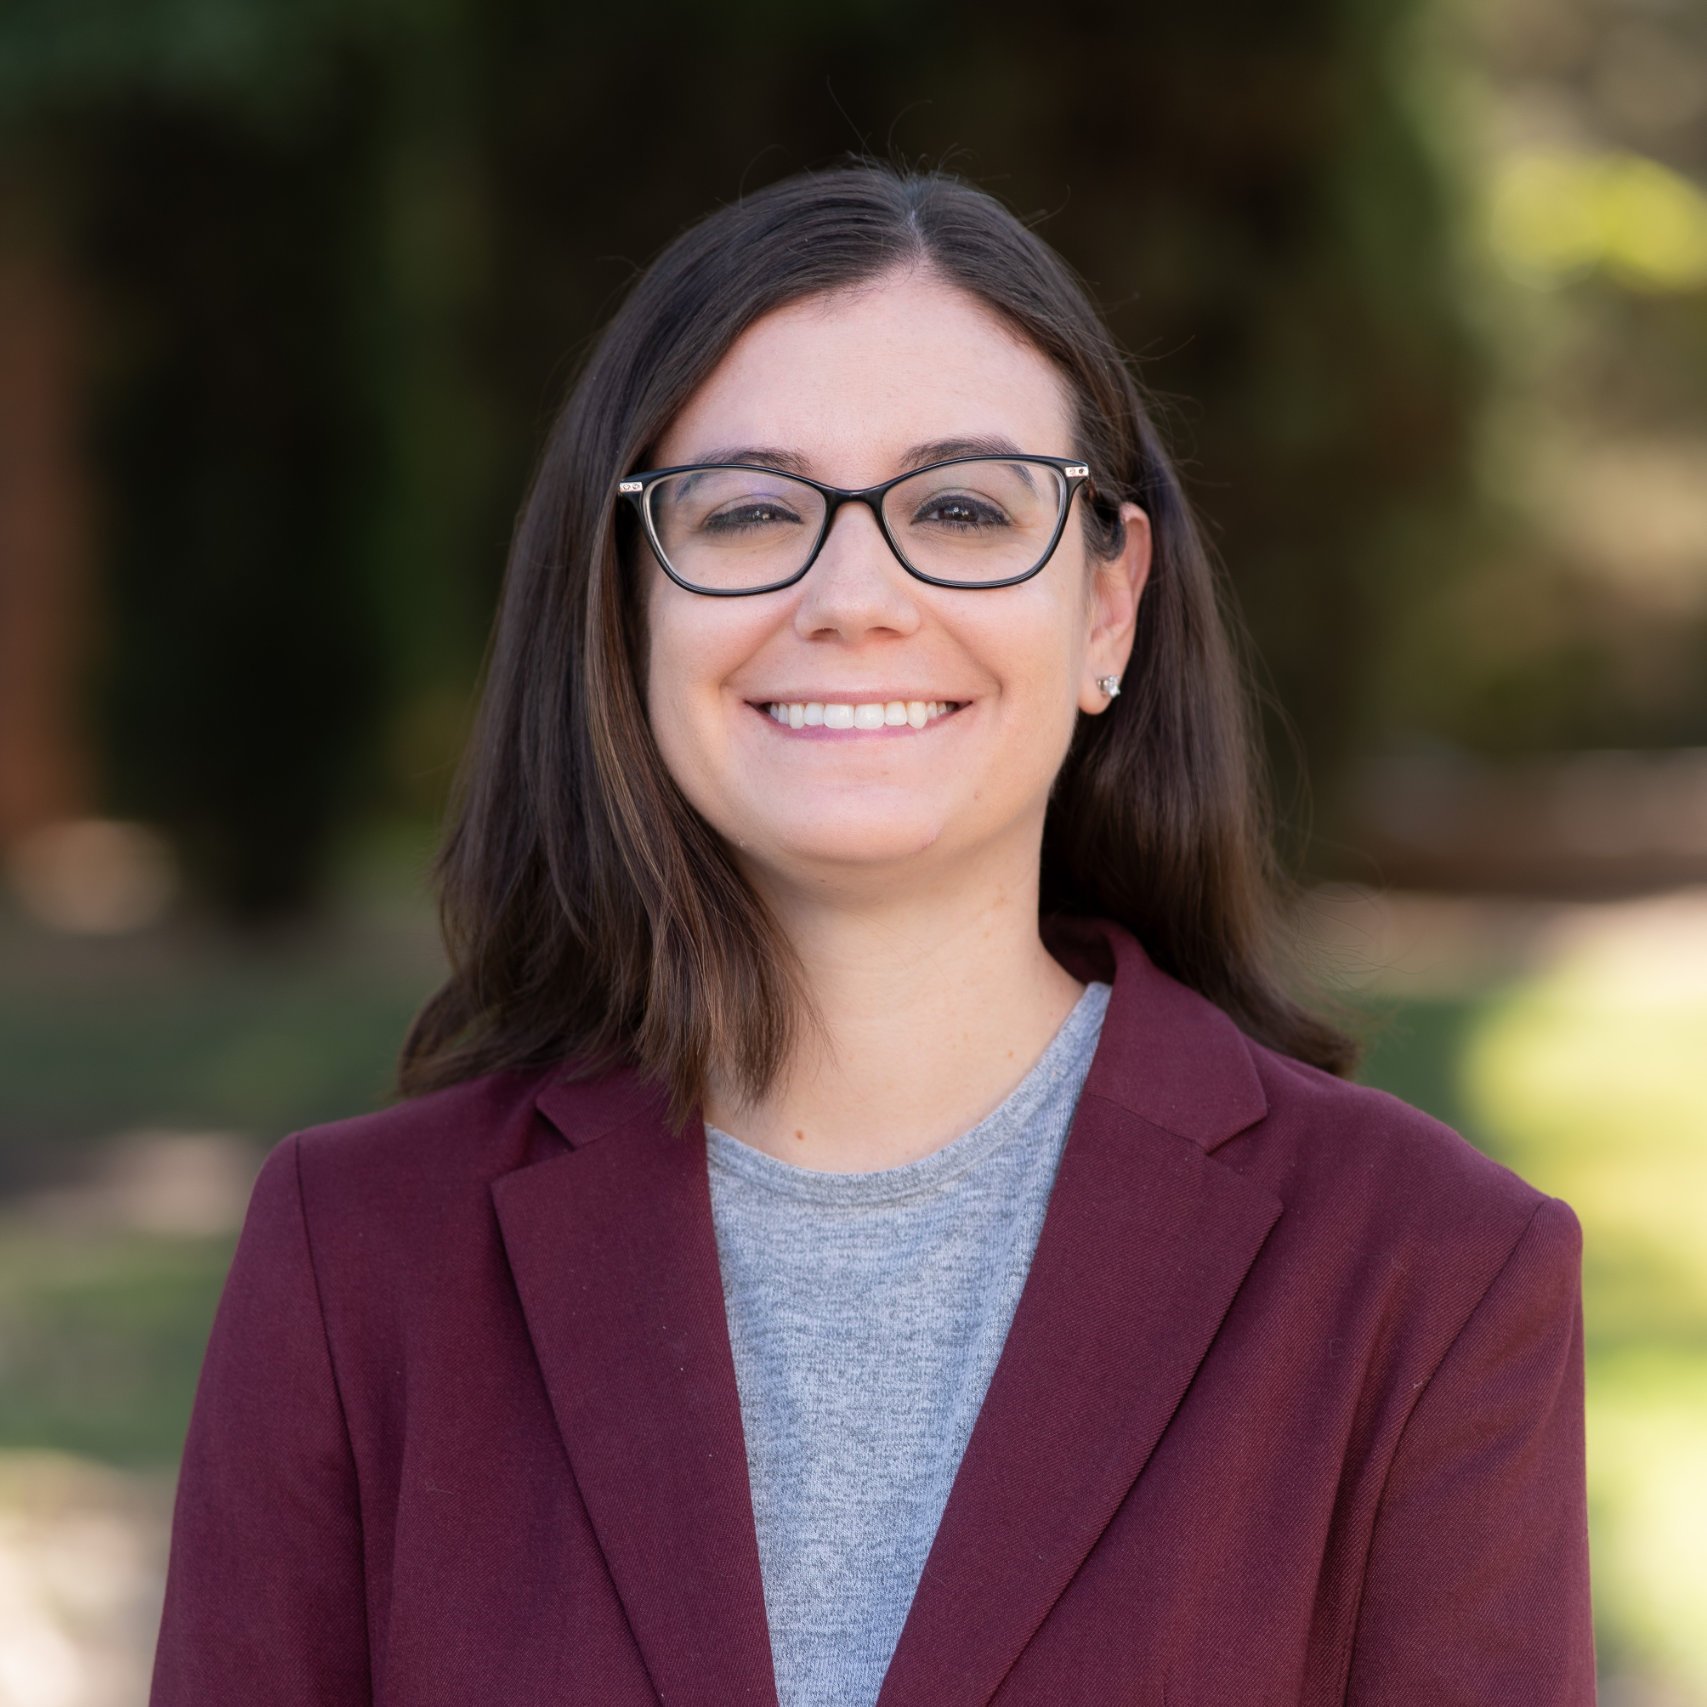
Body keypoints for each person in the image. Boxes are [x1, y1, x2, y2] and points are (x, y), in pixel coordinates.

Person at [150, 164, 1596, 1705]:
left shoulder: (1427, 1271)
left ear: (1108, 609)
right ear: (626, 601)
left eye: (965, 509)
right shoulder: (358, 1259)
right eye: (751, 509)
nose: (855, 593)